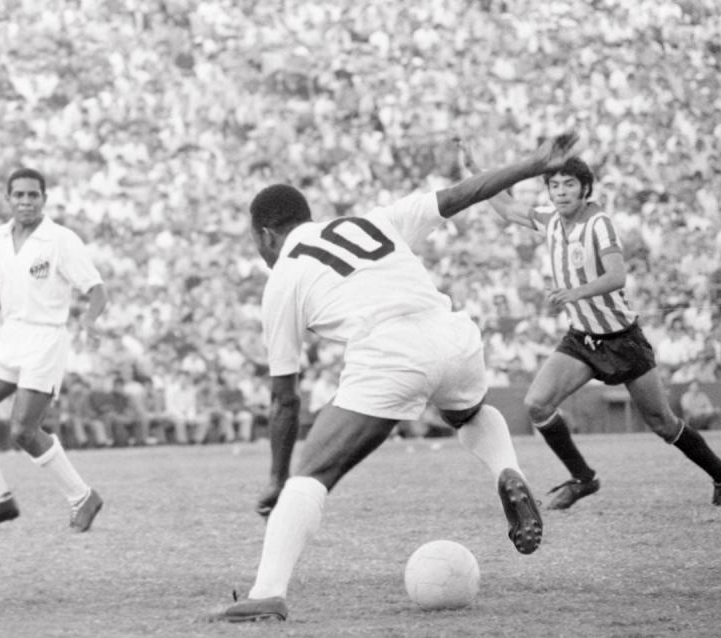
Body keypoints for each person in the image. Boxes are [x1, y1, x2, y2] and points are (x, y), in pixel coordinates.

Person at [210, 133, 582, 623]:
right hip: (453, 334)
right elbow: (460, 195)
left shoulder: (283, 275)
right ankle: (506, 470)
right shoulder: (370, 220)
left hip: (390, 350)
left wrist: (278, 478)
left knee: (313, 476)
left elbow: (284, 400)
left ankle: (267, 591)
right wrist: (534, 165)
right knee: (468, 414)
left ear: (264, 236)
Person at [459, 142, 721, 509]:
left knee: (663, 423)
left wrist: (576, 292)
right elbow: (506, 208)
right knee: (537, 404)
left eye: (569, 184)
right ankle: (584, 479)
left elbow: (617, 275)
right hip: (582, 340)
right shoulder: (550, 221)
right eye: (554, 185)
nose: (561, 192)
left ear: (585, 189)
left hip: (622, 339)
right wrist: (478, 169)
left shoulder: (599, 224)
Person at [0, 168, 108, 531]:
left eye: (32, 195)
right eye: (19, 195)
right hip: (11, 338)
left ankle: (82, 496)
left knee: (22, 431)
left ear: (44, 199)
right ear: (7, 199)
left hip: (45, 339)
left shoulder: (60, 240)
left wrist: (89, 321)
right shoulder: (0, 237)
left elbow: (97, 290)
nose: (25, 201)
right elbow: (4, 287)